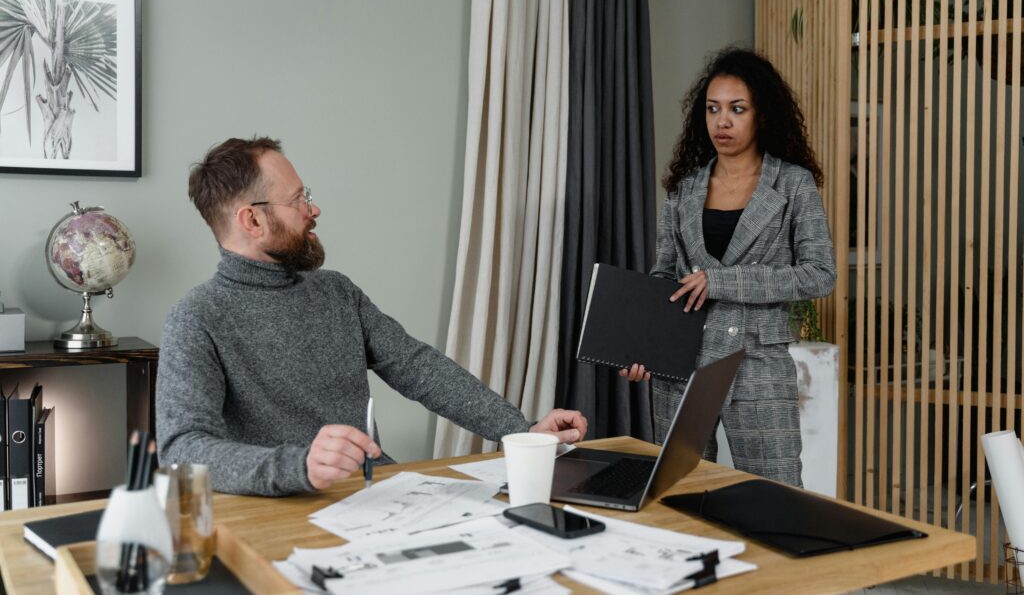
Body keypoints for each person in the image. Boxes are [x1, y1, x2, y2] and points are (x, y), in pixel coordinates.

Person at [156, 137, 587, 496]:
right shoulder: (196, 318)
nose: (313, 209)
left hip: (374, 494)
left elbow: (418, 368)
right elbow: (182, 448)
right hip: (281, 509)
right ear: (251, 219)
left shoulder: (336, 292)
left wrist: (521, 430)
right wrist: (298, 465)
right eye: (298, 199)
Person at [621, 48, 836, 486]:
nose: (722, 121)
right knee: (681, 498)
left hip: (757, 363)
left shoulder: (792, 184)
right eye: (713, 109)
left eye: (737, 110)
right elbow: (664, 277)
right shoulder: (684, 188)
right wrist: (644, 346)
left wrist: (723, 280)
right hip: (680, 366)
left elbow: (819, 273)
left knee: (774, 497)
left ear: (762, 115)